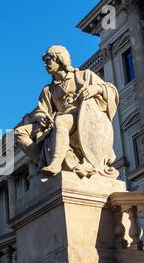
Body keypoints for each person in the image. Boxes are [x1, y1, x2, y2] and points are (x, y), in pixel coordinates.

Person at [15, 45, 119, 177]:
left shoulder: (84, 76)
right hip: (54, 120)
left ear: (59, 59)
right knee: (19, 132)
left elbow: (111, 90)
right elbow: (41, 110)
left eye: (48, 60)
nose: (45, 65)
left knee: (61, 121)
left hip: (81, 115)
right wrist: (41, 116)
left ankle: (56, 162)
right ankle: (42, 161)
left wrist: (95, 89)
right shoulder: (48, 90)